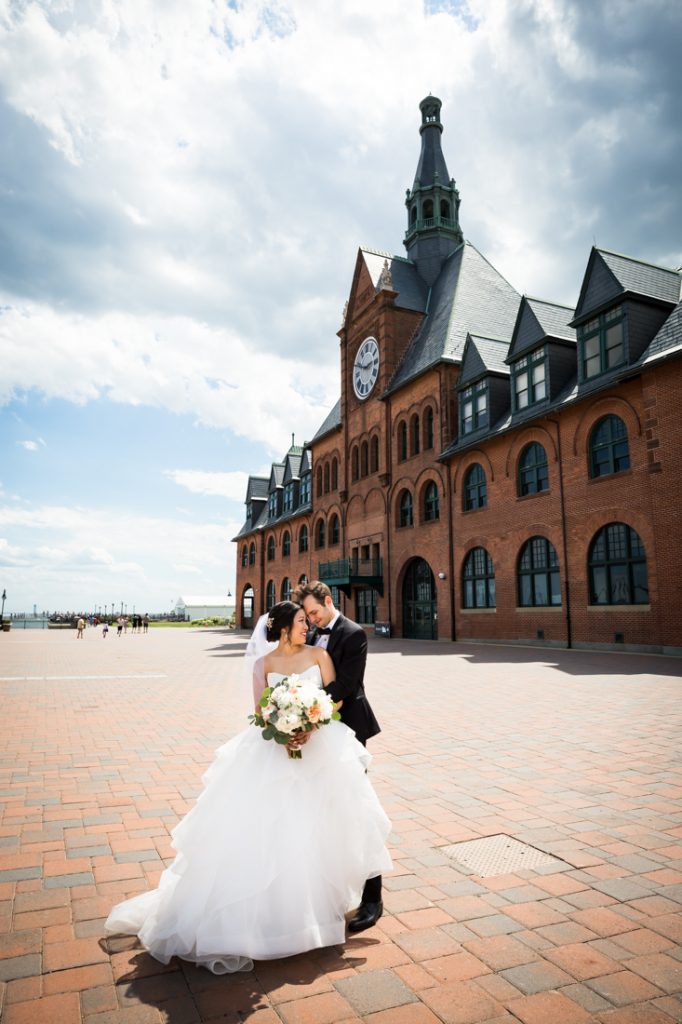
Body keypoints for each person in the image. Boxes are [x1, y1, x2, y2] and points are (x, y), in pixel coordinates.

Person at [104, 600, 391, 974]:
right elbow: (261, 711)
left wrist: (309, 725)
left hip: (320, 747)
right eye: (302, 621)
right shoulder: (263, 664)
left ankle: (318, 905)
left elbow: (331, 700)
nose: (309, 626)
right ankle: (273, 915)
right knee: (273, 827)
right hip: (275, 750)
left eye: (309, 619)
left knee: (321, 822)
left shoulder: (320, 656)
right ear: (285, 626)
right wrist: (284, 731)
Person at [293, 580, 383, 933]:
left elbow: (347, 684)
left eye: (315, 612)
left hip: (348, 733)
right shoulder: (311, 634)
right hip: (318, 736)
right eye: (307, 615)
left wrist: (305, 711)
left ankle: (372, 899)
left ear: (329, 601)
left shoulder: (353, 633)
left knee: (358, 810)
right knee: (321, 813)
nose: (311, 620)